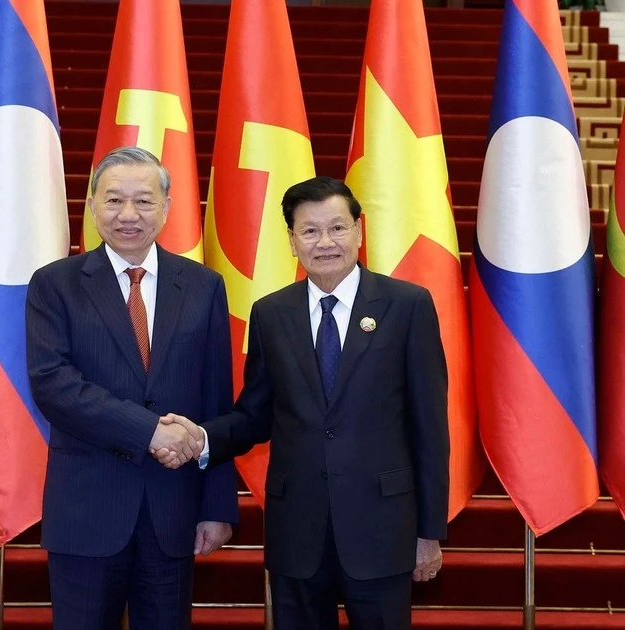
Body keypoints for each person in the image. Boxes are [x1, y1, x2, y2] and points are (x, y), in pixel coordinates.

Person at [155, 176, 450, 630]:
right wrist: (202, 437)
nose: (325, 242)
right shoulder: (272, 314)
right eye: (309, 231)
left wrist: (428, 531)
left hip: (383, 528)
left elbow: (430, 427)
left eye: (337, 227)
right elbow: (255, 414)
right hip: (298, 530)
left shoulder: (407, 306)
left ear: (359, 231)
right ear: (292, 241)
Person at [26, 146, 238, 630]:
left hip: (174, 511)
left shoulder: (204, 286)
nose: (128, 214)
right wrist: (148, 431)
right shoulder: (54, 284)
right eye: (114, 200)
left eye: (143, 201)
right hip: (87, 511)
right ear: (92, 205)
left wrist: (216, 505)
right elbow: (53, 384)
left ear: (166, 206)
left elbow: (215, 399)